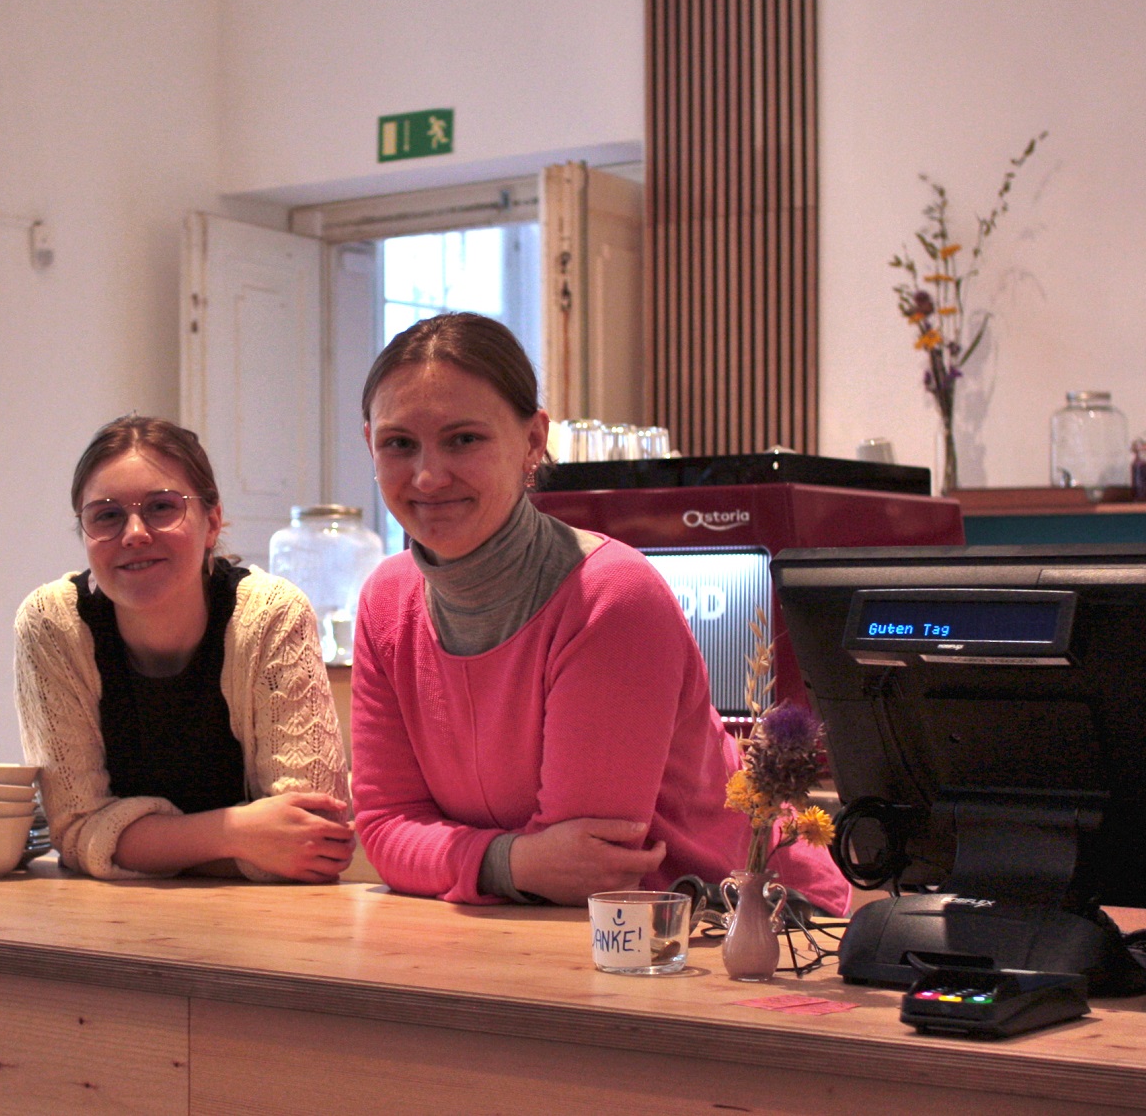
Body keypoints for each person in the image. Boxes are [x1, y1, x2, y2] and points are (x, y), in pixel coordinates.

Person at [349, 313, 848, 910]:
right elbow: (383, 830)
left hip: (754, 930)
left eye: (464, 439)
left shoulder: (610, 596)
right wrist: (513, 860)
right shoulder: (384, 600)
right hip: (560, 933)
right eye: (399, 443)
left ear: (534, 440)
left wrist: (460, 859)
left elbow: (587, 873)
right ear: (370, 446)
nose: (428, 476)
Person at [16, 415, 353, 882]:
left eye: (161, 507)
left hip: (265, 928)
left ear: (212, 522)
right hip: (107, 923)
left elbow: (313, 838)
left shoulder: (272, 614)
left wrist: (128, 846)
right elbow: (74, 832)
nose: (134, 532)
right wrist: (236, 833)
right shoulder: (54, 624)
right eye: (107, 515)